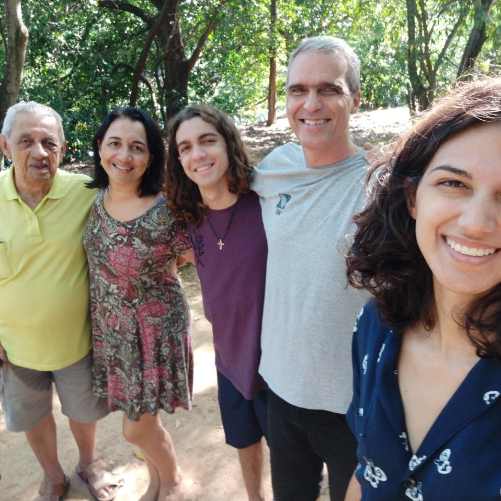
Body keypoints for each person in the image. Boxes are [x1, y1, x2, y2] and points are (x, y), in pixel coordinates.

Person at [344, 77, 501, 501]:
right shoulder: (375, 325)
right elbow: (365, 472)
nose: (475, 223)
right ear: (413, 199)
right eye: (454, 184)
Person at [251, 36, 369, 501]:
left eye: (329, 89)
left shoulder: (383, 184)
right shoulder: (275, 167)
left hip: (353, 406)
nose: (311, 104)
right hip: (281, 389)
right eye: (298, 90)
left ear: (354, 100)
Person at [0, 102, 119, 501]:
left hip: (77, 344)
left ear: (63, 150)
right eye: (25, 141)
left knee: (83, 411)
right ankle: (53, 475)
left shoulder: (86, 194)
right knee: (34, 415)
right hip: (14, 351)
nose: (39, 152)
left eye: (49, 143)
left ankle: (89, 463)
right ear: (5, 146)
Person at [83, 106, 192, 501]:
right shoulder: (95, 198)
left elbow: (203, 260)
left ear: (150, 157)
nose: (124, 156)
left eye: (137, 147)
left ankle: (172, 480)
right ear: (100, 147)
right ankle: (157, 481)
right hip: (116, 335)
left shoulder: (167, 209)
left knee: (136, 429)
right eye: (115, 143)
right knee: (143, 420)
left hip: (154, 335)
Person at [166, 105, 269, 501]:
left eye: (207, 141)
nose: (198, 154)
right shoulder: (185, 218)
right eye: (185, 147)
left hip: (278, 363)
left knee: (293, 459)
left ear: (228, 144)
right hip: (229, 359)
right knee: (244, 439)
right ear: (179, 160)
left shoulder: (267, 200)